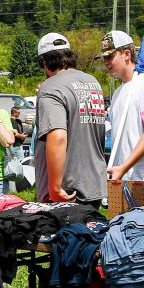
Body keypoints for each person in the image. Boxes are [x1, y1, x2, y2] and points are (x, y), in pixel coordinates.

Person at [33, 31, 107, 204]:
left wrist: (55, 189)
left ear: (44, 62)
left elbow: (57, 137)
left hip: (66, 191)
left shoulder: (50, 87)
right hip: (93, 185)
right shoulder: (92, 83)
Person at [103, 31, 144, 183]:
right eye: (104, 57)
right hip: (123, 176)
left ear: (126, 54)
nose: (106, 62)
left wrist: (124, 166)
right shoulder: (117, 93)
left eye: (110, 56)